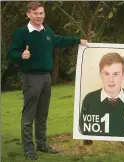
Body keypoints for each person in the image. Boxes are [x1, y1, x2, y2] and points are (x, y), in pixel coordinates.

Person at [7, 1, 88, 160]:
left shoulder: (46, 31)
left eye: (41, 13)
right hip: (31, 77)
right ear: (28, 14)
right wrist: (21, 56)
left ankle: (42, 144)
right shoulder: (21, 33)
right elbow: (12, 53)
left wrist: (78, 41)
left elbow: (59, 40)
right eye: (35, 13)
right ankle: (29, 148)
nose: (39, 16)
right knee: (29, 114)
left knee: (43, 114)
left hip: (46, 77)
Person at [79, 52, 124, 137]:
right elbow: (84, 129)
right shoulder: (89, 99)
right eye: (106, 74)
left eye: (116, 74)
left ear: (123, 75)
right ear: (101, 74)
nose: (111, 79)